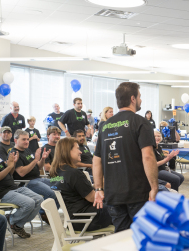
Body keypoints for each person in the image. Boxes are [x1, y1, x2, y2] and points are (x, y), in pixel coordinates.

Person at [93, 82, 158, 233]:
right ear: (133, 99)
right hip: (137, 193)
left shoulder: (104, 126)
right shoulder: (141, 122)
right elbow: (148, 156)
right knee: (143, 235)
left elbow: (97, 159)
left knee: (121, 237)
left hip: (113, 194)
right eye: (140, 97)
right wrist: (154, 187)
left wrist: (98, 188)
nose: (141, 100)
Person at [0, 136, 43, 238]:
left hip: (13, 188)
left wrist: (12, 164)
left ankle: (15, 224)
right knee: (30, 203)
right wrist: (10, 166)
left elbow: (10, 173)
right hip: (0, 193)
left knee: (39, 199)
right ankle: (13, 222)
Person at [49, 137, 112, 231]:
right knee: (121, 206)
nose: (80, 152)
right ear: (67, 151)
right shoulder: (74, 173)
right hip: (87, 220)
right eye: (77, 148)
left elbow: (75, 191)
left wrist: (98, 186)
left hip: (73, 220)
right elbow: (93, 198)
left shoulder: (55, 172)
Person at [11, 130, 56, 224]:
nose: (27, 141)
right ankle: (44, 213)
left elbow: (38, 167)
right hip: (26, 182)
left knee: (60, 185)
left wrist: (42, 159)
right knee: (52, 193)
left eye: (27, 139)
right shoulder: (14, 153)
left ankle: (51, 213)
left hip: (38, 178)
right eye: (23, 139)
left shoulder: (26, 150)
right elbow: (21, 173)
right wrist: (35, 160)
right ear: (15, 140)